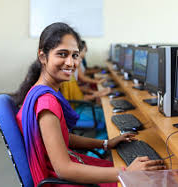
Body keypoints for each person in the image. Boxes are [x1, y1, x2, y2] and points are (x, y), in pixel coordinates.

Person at [13, 22, 165, 187]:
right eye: (62, 54)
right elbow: (64, 169)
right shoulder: (46, 103)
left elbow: (60, 137)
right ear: (42, 57)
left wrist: (105, 144)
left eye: (75, 55)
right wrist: (127, 173)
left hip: (67, 170)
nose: (71, 63)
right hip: (64, 180)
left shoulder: (39, 91)